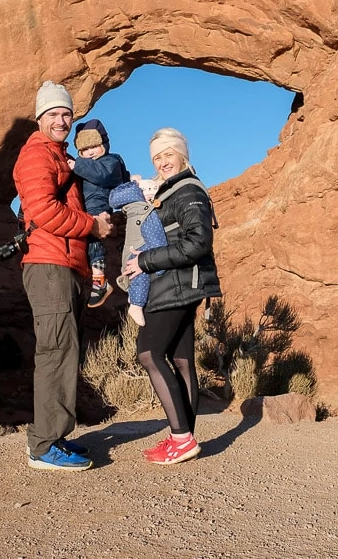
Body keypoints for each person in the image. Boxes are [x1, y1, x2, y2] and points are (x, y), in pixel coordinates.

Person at [13, 80, 113, 471]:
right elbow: (42, 212)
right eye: (53, 114)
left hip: (65, 266)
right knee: (56, 351)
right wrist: (92, 226)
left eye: (66, 113)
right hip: (49, 265)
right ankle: (43, 446)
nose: (61, 120)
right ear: (40, 117)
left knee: (64, 349)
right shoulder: (37, 156)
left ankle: (54, 436)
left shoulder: (59, 155)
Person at [122, 128, 221, 465]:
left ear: (182, 155)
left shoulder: (187, 189)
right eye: (157, 158)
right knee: (180, 360)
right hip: (180, 284)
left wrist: (145, 261)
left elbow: (198, 242)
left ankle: (181, 437)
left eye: (168, 154)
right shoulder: (174, 190)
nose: (163, 162)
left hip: (178, 285)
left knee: (149, 353)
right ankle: (185, 437)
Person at [67, 119, 129, 308]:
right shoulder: (86, 165)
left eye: (94, 146)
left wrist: (76, 164)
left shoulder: (111, 161)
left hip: (98, 209)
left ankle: (100, 280)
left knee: (94, 242)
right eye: (84, 150)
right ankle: (93, 278)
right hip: (83, 209)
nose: (90, 152)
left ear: (104, 144)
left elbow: (102, 174)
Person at [109, 175, 165, 327]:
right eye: (146, 189)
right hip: (137, 248)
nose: (150, 193)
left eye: (154, 189)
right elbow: (156, 240)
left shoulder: (139, 206)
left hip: (135, 247)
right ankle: (136, 304)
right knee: (140, 271)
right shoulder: (143, 208)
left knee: (139, 272)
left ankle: (135, 297)